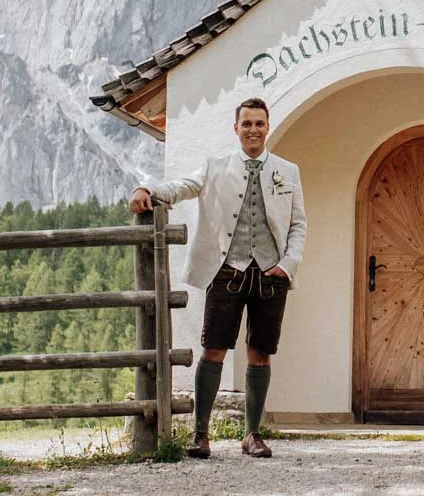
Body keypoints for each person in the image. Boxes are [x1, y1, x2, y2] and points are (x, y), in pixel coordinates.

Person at [131, 98, 306, 459]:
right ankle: (201, 434)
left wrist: (288, 264)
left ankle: (252, 434)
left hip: (270, 274)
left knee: (260, 352)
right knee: (214, 349)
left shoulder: (287, 171)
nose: (253, 130)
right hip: (226, 270)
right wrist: (147, 189)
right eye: (247, 124)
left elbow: (298, 224)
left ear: (267, 127)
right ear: (236, 128)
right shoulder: (216, 167)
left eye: (259, 123)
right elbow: (182, 186)